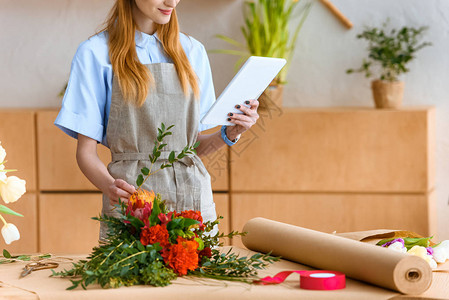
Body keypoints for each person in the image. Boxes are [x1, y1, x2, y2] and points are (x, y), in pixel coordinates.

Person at [54, 0, 259, 240]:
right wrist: (108, 186)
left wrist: (231, 132)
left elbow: (189, 150)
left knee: (200, 278)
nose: (171, 2)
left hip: (193, 201)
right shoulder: (95, 52)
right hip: (134, 204)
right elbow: (86, 153)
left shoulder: (192, 51)